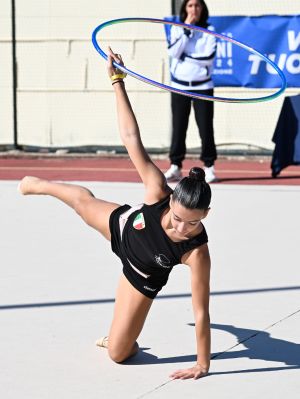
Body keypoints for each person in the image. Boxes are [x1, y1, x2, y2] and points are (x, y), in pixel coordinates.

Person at [18, 47, 212, 380]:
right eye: (178, 217)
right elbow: (131, 138)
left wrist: (202, 364)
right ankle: (43, 184)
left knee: (118, 354)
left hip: (142, 275)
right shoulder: (157, 189)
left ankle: (120, 336)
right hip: (125, 229)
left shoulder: (196, 252)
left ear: (206, 214)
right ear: (172, 200)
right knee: (82, 205)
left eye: (192, 222)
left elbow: (201, 310)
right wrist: (117, 80)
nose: (181, 227)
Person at [164, 0, 217, 183]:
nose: (194, 9)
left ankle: (209, 166)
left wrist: (185, 56)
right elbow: (173, 52)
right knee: (179, 127)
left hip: (203, 87)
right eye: (190, 6)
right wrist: (187, 31)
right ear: (184, 9)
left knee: (205, 127)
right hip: (179, 86)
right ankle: (175, 166)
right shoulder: (177, 29)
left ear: (202, 9)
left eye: (197, 6)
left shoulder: (209, 31)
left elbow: (207, 58)